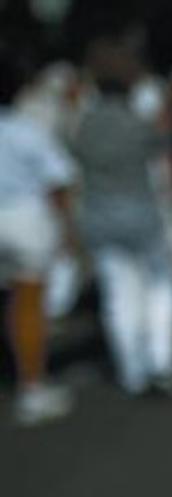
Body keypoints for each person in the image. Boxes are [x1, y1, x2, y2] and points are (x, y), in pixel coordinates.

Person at [74, 27, 172, 397]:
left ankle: (132, 371)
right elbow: (166, 158)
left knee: (118, 294)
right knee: (160, 286)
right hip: (141, 212)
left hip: (99, 216)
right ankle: (162, 362)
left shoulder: (84, 125)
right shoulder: (138, 123)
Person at [0, 43, 78, 425]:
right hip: (26, 219)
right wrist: (69, 233)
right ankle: (32, 387)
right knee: (29, 304)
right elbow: (59, 181)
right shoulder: (24, 130)